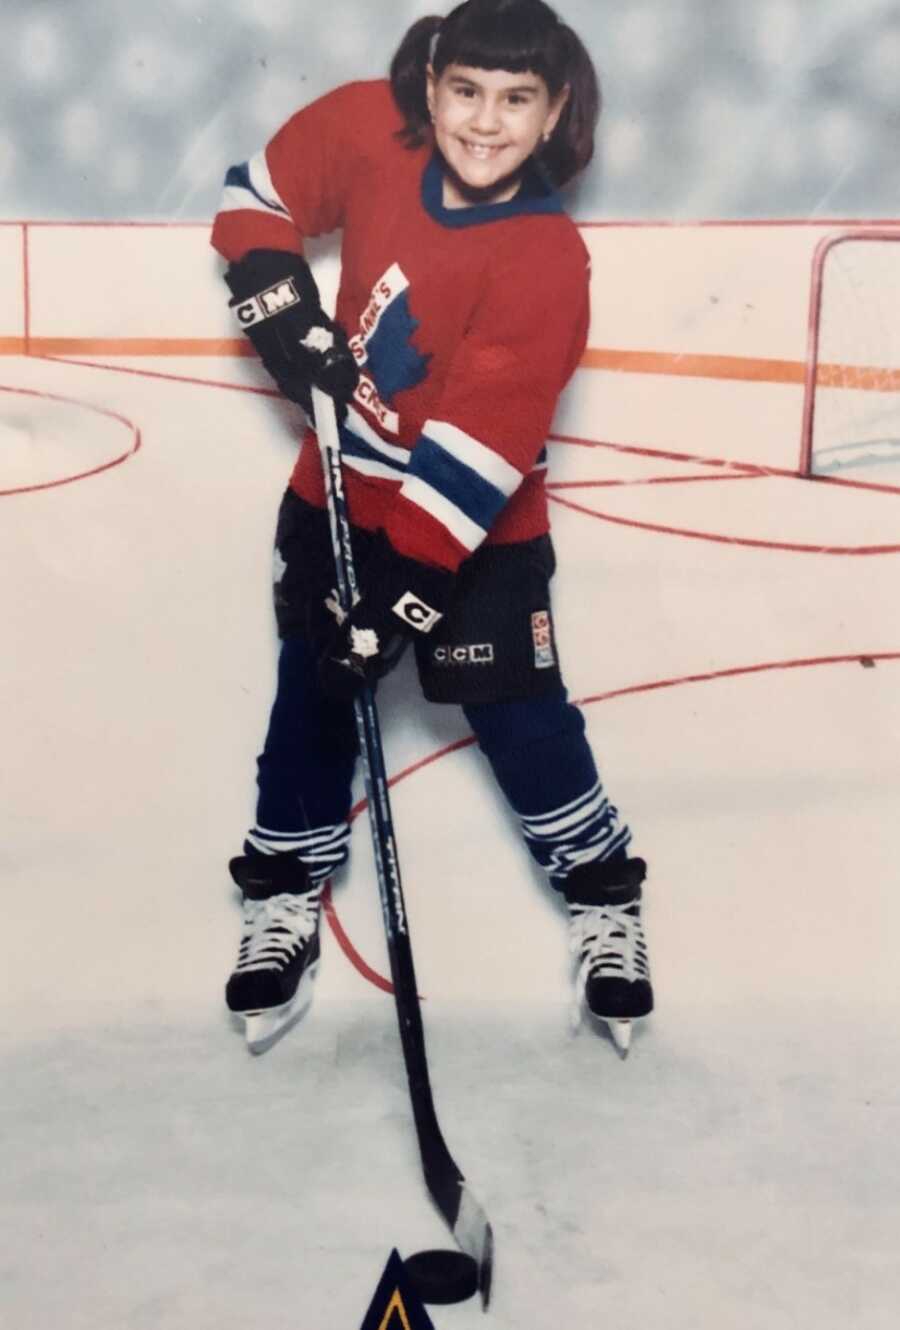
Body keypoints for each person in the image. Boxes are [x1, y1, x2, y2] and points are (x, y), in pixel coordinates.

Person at [210, 0, 652, 1056]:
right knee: (313, 694)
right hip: (335, 500)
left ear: (555, 116)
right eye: (466, 91)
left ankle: (604, 899)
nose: (484, 123)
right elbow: (255, 198)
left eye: (516, 101)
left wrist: (400, 596)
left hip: (476, 528)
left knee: (519, 716)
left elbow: (480, 452)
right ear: (433, 81)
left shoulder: (546, 259)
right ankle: (282, 895)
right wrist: (284, 313)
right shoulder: (369, 128)